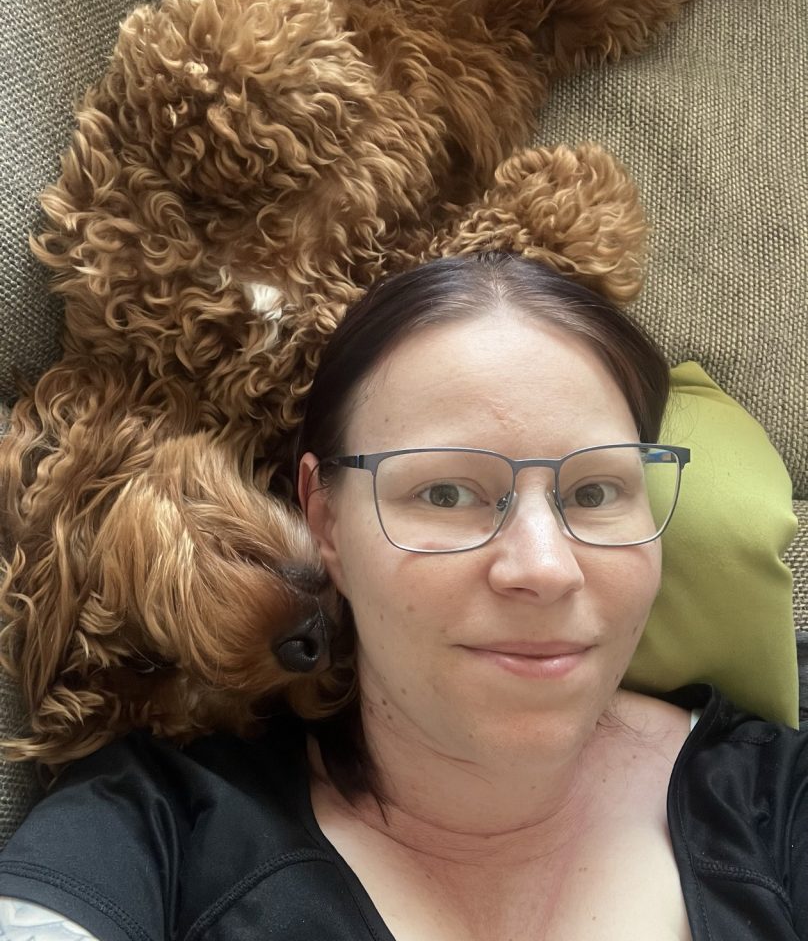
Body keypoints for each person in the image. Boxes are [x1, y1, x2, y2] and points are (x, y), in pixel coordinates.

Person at [0, 251, 804, 941]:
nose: (545, 568)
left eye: (595, 493)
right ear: (325, 518)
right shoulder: (157, 830)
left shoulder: (780, 806)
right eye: (446, 493)